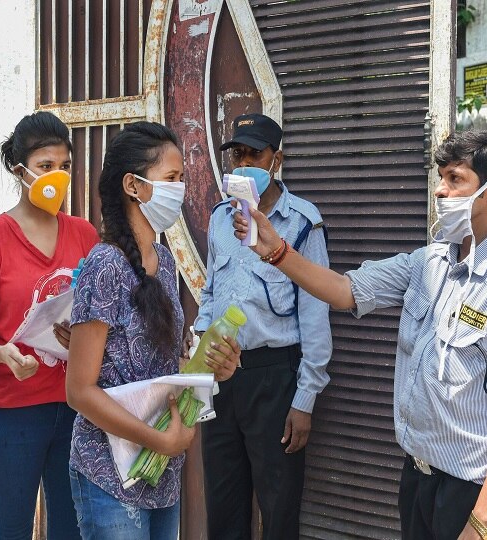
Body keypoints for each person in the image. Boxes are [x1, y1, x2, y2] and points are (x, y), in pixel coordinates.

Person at [232, 130, 487, 540]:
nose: (440, 189)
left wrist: (483, 522)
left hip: (470, 492)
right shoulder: (428, 261)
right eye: (441, 177)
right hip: (418, 477)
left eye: (455, 179)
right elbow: (345, 291)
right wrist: (275, 250)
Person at [65, 121, 241, 540]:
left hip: (161, 471)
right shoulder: (105, 266)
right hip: (110, 473)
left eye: (182, 178)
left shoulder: (164, 261)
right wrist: (158, 440)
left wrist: (214, 368)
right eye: (172, 178)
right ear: (133, 185)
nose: (180, 189)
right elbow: (79, 390)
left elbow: (167, 364)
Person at [0, 111, 100, 540]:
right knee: (11, 532)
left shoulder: (85, 235)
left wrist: (83, 339)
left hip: (76, 410)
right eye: (45, 167)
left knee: (71, 532)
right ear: (20, 171)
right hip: (8, 416)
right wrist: (2, 352)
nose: (56, 176)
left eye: (64, 166)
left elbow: (100, 319)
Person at [194, 113, 332, 540]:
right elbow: (211, 291)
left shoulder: (302, 221)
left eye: (255, 153)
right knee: (224, 507)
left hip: (274, 379)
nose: (243, 162)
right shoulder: (221, 218)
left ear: (277, 160)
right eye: (238, 154)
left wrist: (304, 398)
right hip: (220, 376)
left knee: (278, 508)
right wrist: (199, 356)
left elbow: (315, 312)